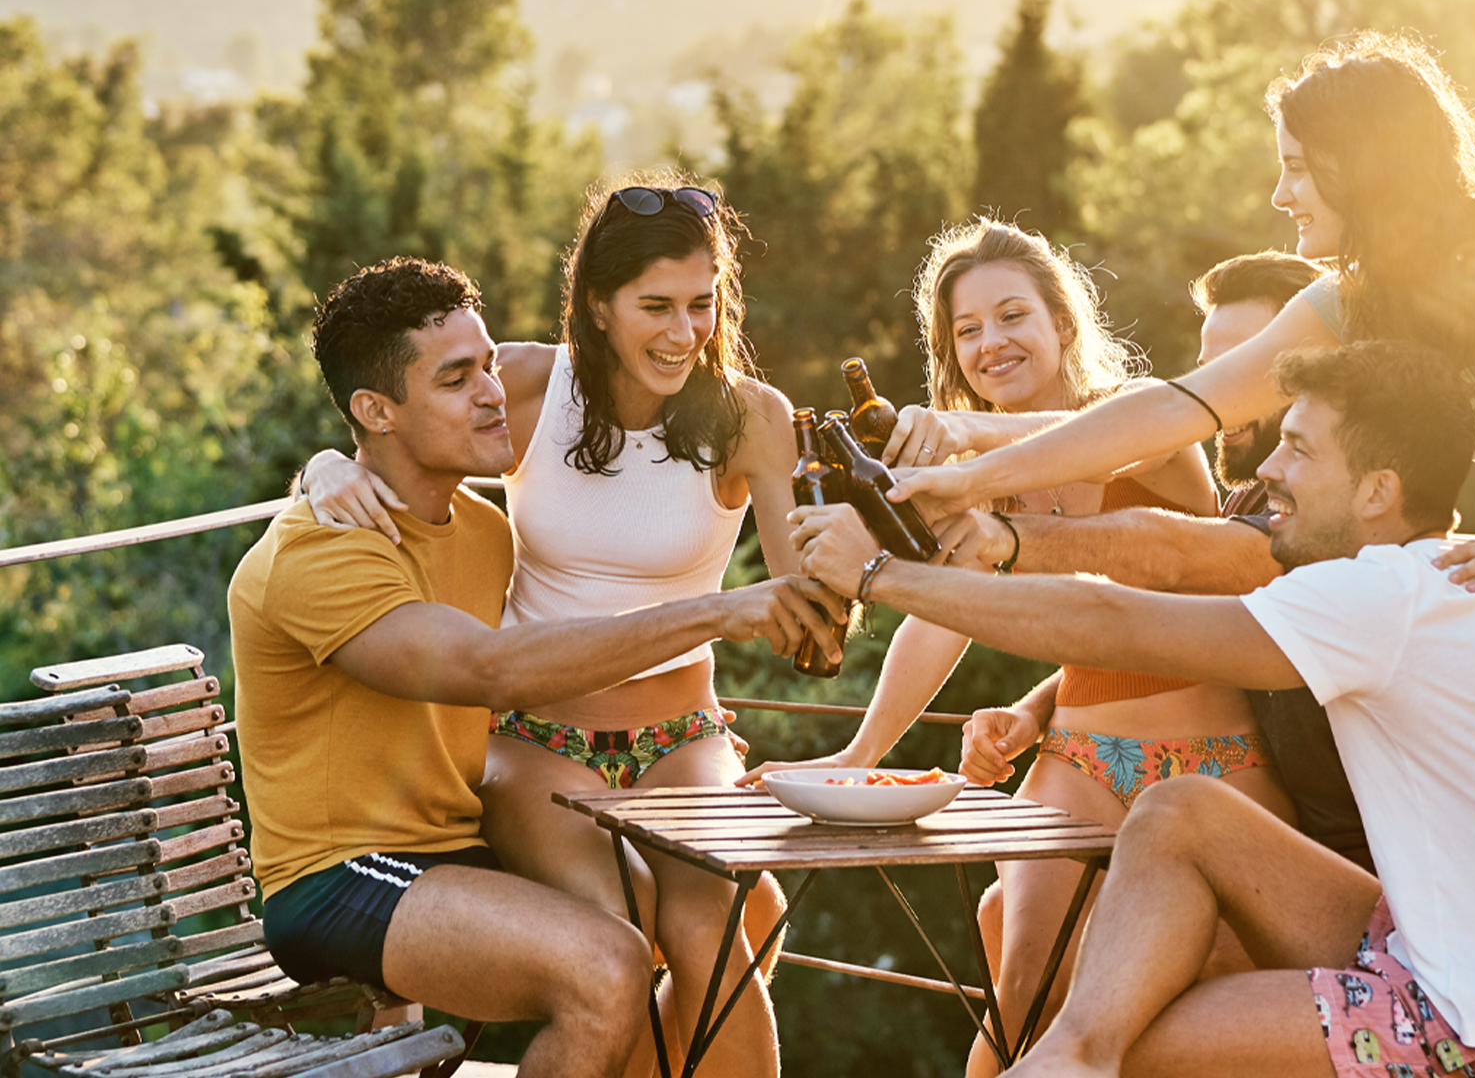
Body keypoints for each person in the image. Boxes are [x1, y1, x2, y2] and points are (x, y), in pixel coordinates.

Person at [887, 32, 1475, 1069]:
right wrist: (968, 467)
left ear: (1363, 163)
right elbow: (1176, 406)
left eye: (1294, 165)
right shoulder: (1351, 301)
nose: (1280, 194)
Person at [792, 339, 1475, 1078]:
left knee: (1136, 1042)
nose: (1268, 471)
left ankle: (1066, 1055)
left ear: (1377, 491)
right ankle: (1069, 1056)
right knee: (1184, 813)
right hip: (1467, 977)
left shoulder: (1378, 596)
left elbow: (1108, 617)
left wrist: (883, 573)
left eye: (1298, 448)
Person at [230, 257, 842, 1078]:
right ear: (375, 410)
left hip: (456, 847)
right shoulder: (321, 552)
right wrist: (715, 612)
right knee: (606, 966)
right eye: (456, 379)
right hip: (341, 877)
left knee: (729, 913)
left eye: (488, 363)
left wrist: (325, 462)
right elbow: (489, 670)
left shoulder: (483, 533)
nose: (492, 390)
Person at [742, 220, 1285, 1075]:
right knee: (1023, 999)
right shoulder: (971, 491)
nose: (991, 343)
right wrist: (860, 751)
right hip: (1076, 753)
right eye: (967, 331)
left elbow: (1126, 456)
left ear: (1061, 325)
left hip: (1214, 758)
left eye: (1011, 316)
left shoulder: (1146, 424)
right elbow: (940, 612)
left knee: (1220, 1002)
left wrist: (961, 441)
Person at [942, 250, 1375, 874]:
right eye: (1209, 373)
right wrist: (1036, 710)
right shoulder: (1249, 499)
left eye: (1246, 368)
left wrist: (981, 494)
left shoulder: (1341, 520)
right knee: (1007, 920)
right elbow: (1165, 629)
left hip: (1357, 851)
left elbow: (1161, 553)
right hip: (1227, 802)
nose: (1218, 395)